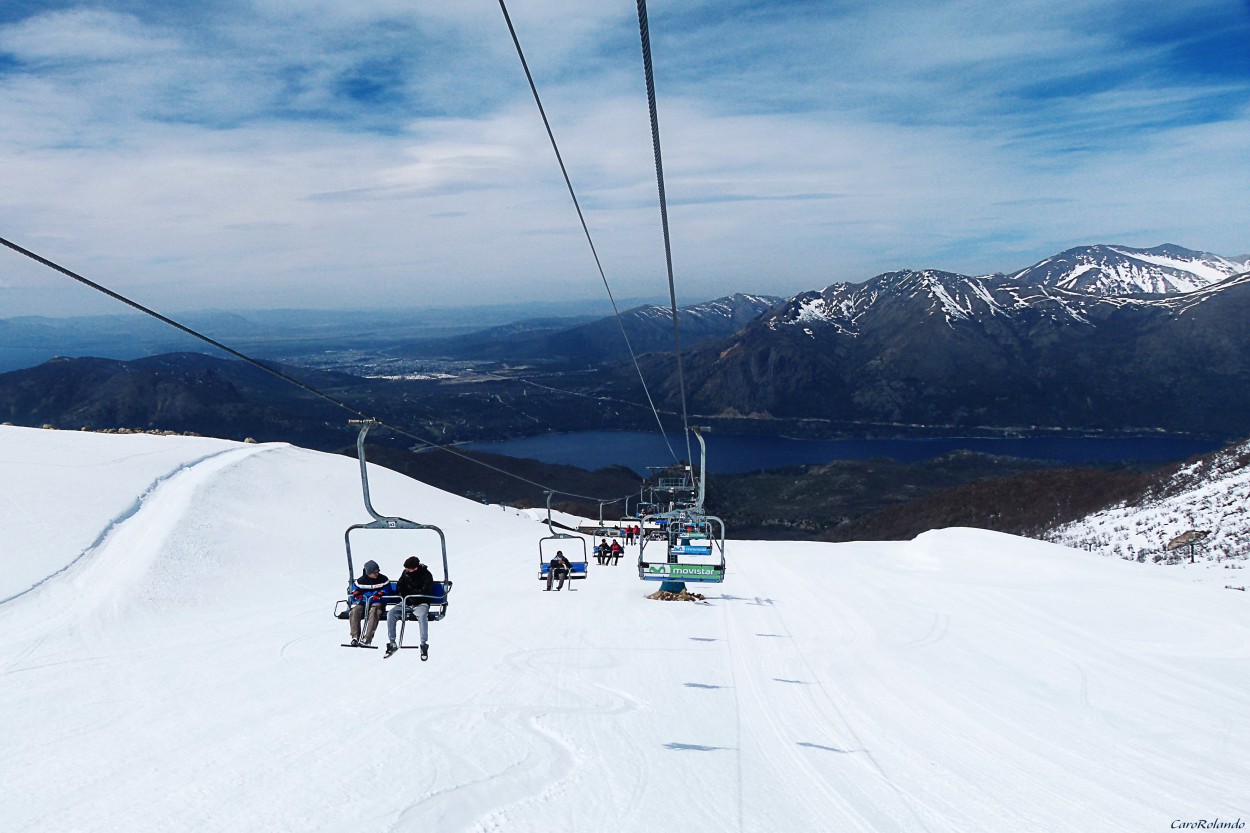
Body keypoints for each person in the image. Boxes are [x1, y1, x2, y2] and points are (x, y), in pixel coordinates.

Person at [386, 556, 433, 659]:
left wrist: (410, 594)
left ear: (415, 568)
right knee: (391, 614)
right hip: (406, 602)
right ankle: (392, 642)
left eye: (408, 568)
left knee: (422, 616)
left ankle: (423, 644)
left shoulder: (426, 575)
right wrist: (405, 596)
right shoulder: (405, 574)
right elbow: (399, 587)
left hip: (420, 603)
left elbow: (425, 591)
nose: (406, 570)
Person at [348, 559, 390, 647]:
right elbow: (354, 590)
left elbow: (387, 590)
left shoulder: (383, 579)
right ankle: (355, 637)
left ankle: (368, 638)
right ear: (368, 573)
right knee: (355, 611)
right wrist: (356, 593)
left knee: (374, 611)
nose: (377, 574)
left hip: (378, 602)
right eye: (374, 572)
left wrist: (380, 594)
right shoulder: (360, 581)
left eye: (378, 571)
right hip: (364, 602)